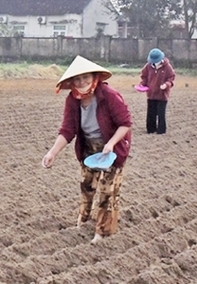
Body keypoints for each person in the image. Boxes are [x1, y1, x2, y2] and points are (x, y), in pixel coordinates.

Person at [42, 55, 132, 244]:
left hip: (112, 149)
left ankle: (102, 231)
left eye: (86, 77)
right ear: (72, 82)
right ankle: (83, 219)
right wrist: (52, 153)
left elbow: (125, 124)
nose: (82, 82)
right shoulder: (73, 100)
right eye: (78, 79)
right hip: (88, 148)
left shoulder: (109, 96)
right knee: (87, 186)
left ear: (94, 77)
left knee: (107, 190)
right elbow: (68, 130)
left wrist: (111, 144)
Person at [139, 48, 176, 134]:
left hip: (162, 95)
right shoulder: (148, 66)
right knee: (151, 113)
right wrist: (142, 84)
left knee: (161, 113)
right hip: (151, 94)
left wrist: (166, 85)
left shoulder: (167, 67)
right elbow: (144, 76)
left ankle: (161, 130)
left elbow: (171, 78)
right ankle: (151, 129)